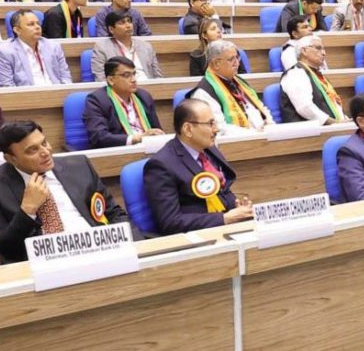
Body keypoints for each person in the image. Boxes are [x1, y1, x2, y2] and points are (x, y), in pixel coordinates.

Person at [0, 120, 134, 263]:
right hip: (46, 263)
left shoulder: (79, 165)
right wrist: (27, 210)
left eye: (44, 143)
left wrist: (128, 247)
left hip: (99, 250)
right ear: (11, 159)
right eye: (32, 150)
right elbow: (5, 248)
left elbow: (114, 213)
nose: (46, 152)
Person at [145, 99, 254, 234]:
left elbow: (222, 190)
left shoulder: (209, 149)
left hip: (228, 228)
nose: (216, 129)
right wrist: (224, 218)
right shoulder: (161, 165)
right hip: (198, 237)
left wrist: (239, 210)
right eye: (210, 124)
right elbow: (170, 222)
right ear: (188, 129)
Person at [189, 40, 273, 135]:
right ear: (216, 64)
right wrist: (253, 134)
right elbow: (219, 128)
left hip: (262, 134)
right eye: (231, 59)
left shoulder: (239, 82)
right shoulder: (203, 93)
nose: (237, 63)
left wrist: (271, 126)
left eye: (237, 57)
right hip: (239, 140)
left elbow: (261, 108)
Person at [83, 57, 164, 148]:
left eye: (134, 74)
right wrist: (137, 138)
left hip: (149, 147)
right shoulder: (97, 100)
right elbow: (99, 137)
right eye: (126, 75)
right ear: (111, 80)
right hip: (119, 151)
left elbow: (156, 129)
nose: (133, 80)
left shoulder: (144, 96)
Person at [0, 10, 73, 86]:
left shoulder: (53, 47)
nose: (37, 27)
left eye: (38, 23)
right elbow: (7, 87)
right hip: (25, 96)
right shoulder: (4, 52)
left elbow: (66, 77)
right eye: (31, 24)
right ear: (17, 30)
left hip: (56, 93)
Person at [280, 35, 345, 124]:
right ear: (304, 51)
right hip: (310, 129)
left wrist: (343, 119)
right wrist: (335, 123)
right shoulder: (296, 73)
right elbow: (305, 108)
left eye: (324, 49)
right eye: (318, 48)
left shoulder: (317, 75)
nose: (324, 53)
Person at [91, 11, 163, 82]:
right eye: (122, 23)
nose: (128, 26)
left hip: (148, 87)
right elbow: (101, 79)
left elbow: (158, 76)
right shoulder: (102, 48)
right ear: (111, 29)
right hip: (120, 88)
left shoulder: (146, 46)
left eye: (129, 21)